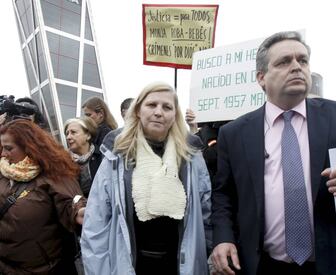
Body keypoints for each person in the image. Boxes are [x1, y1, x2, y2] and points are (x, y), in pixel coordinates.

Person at [210, 31, 336, 275]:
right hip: (264, 264)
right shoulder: (234, 133)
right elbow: (224, 194)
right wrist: (223, 238)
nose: (296, 67)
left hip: (335, 264)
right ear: (261, 77)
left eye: (303, 60)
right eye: (284, 62)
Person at [81, 82, 212, 275]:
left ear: (174, 116)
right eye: (152, 105)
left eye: (167, 107)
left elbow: (205, 212)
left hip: (181, 265)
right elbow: (96, 222)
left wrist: (209, 258)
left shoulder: (191, 155)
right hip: (132, 265)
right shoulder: (116, 155)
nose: (159, 112)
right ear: (137, 111)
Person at [0, 119, 86, 274]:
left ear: (29, 146)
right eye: (2, 148)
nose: (3, 154)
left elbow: (69, 201)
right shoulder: (3, 171)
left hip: (47, 268)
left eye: (8, 148)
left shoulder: (53, 172)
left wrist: (78, 211)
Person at [64, 117, 102, 198]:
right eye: (67, 133)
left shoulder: (103, 157)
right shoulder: (63, 162)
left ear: (88, 135)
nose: (68, 137)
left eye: (73, 132)